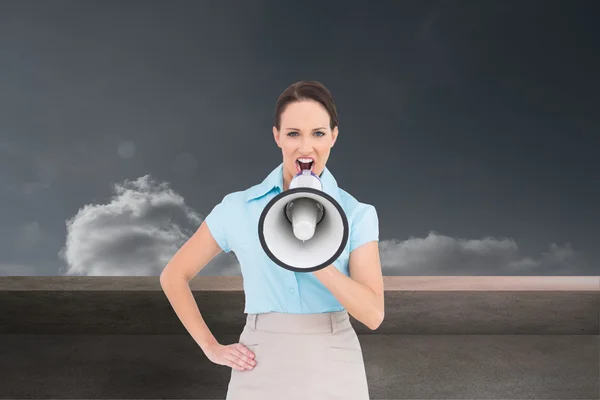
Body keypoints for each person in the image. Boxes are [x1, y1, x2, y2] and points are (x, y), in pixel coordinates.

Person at [160, 80, 384, 399]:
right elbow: (173, 275)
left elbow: (373, 315)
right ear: (277, 136)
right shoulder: (237, 208)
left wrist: (315, 262)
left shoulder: (358, 213)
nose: (306, 148)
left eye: (318, 133)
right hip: (259, 357)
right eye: (293, 133)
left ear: (334, 136)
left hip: (335, 359)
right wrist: (210, 347)